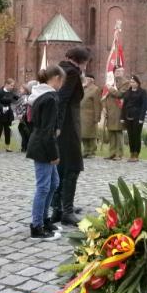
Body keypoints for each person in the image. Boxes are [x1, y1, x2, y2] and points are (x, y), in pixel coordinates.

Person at [25, 65, 65, 240]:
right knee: (43, 187)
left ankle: (44, 219)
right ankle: (37, 226)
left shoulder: (42, 94)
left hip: (41, 142)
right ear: (56, 78)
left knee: (54, 182)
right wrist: (54, 155)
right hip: (43, 146)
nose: (62, 85)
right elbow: (48, 130)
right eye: (62, 81)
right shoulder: (50, 98)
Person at [52, 46, 91, 226]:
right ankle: (66, 211)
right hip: (67, 126)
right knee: (73, 167)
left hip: (64, 124)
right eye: (86, 62)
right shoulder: (72, 73)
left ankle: (58, 208)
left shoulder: (60, 69)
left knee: (61, 167)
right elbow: (62, 99)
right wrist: (59, 126)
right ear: (81, 61)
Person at [104, 66, 129, 161]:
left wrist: (110, 88)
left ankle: (119, 154)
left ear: (123, 72)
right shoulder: (111, 82)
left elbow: (120, 94)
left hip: (119, 110)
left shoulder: (126, 83)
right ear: (114, 73)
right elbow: (105, 96)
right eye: (117, 71)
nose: (118, 73)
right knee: (111, 132)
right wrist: (104, 108)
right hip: (110, 110)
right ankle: (112, 153)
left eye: (120, 71)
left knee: (118, 132)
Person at [121, 74, 147, 162]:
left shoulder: (142, 92)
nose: (132, 84)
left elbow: (144, 105)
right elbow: (124, 105)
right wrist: (122, 117)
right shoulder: (127, 92)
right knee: (130, 135)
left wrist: (141, 118)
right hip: (128, 116)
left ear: (138, 83)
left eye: (134, 82)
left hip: (137, 116)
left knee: (136, 135)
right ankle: (131, 152)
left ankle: (136, 153)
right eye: (131, 82)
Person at [0, 78, 19, 152]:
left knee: (7, 130)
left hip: (8, 114)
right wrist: (2, 107)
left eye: (13, 85)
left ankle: (7, 146)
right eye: (11, 85)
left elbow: (17, 98)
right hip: (0, 114)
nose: (12, 87)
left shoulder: (12, 92)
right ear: (6, 84)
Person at [80, 75, 102, 158]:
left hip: (90, 115)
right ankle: (86, 150)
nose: (85, 80)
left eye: (86, 79)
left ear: (91, 80)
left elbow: (97, 104)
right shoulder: (83, 88)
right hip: (81, 115)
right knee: (83, 134)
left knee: (91, 134)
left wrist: (97, 116)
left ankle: (92, 151)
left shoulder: (95, 89)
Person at [16, 81, 36, 152]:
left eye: (21, 89)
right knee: (23, 130)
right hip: (23, 116)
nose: (20, 90)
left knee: (26, 131)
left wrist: (21, 115)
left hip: (26, 117)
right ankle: (24, 146)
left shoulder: (26, 97)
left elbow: (25, 107)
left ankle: (26, 147)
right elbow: (17, 106)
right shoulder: (21, 97)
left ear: (26, 90)